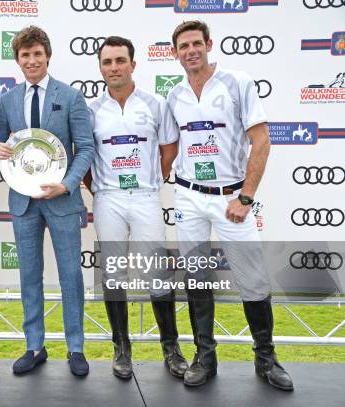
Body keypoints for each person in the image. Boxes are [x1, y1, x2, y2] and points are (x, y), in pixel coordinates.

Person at [167, 20, 293, 390]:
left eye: (195, 43)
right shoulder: (174, 95)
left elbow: (262, 140)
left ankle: (266, 359)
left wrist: (246, 196)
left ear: (208, 45)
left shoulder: (238, 82)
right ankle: (205, 358)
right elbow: (169, 149)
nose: (190, 51)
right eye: (182, 46)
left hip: (231, 197)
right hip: (189, 196)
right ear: (175, 53)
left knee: (253, 279)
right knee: (195, 276)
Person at [82, 36, 187, 380]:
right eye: (107, 62)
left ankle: (171, 349)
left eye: (120, 61)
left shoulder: (155, 103)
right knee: (113, 274)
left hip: (145, 196)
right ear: (100, 67)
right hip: (108, 198)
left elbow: (169, 148)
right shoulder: (91, 109)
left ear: (133, 64)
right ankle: (121, 348)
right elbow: (83, 154)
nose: (114, 67)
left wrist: (156, 176)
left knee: (157, 270)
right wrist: (95, 188)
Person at [0, 25, 94, 376]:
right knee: (29, 275)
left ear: (47, 56)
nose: (32, 60)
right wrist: (0, 150)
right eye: (25, 55)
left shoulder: (71, 97)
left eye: (38, 54)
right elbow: (2, 147)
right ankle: (34, 345)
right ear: (18, 60)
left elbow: (86, 148)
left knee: (70, 275)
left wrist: (67, 185)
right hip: (23, 202)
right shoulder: (6, 100)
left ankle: (75, 348)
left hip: (62, 200)